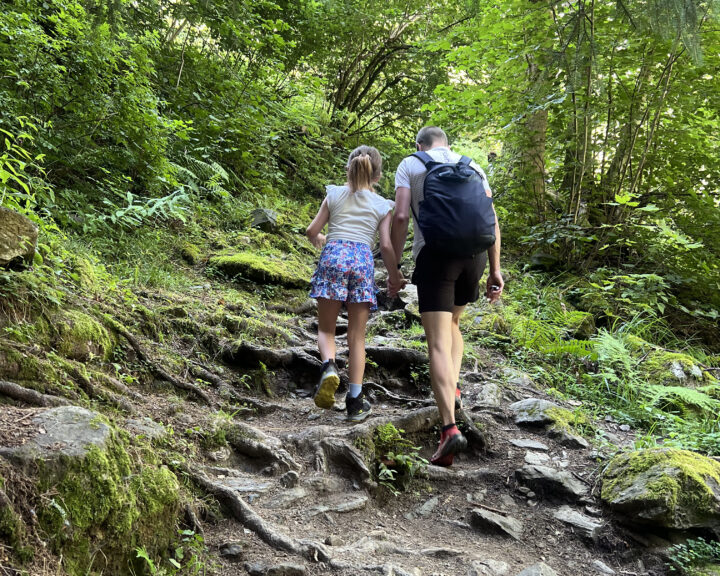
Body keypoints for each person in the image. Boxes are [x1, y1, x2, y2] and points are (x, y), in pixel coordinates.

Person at [391, 126, 504, 466]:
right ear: (448, 144)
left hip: (436, 256)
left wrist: (394, 266)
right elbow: (493, 221)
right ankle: (452, 388)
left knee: (437, 342)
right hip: (475, 257)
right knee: (454, 323)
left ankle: (449, 429)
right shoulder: (474, 165)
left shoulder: (410, 164)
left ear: (419, 144)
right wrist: (496, 269)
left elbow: (399, 215)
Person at [306, 145, 404, 421]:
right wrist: (394, 276)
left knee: (326, 330)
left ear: (348, 168)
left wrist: (323, 240)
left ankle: (329, 367)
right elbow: (385, 245)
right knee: (357, 337)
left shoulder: (334, 194)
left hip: (334, 257)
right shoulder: (382, 204)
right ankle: (355, 401)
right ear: (377, 176)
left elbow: (312, 230)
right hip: (361, 263)